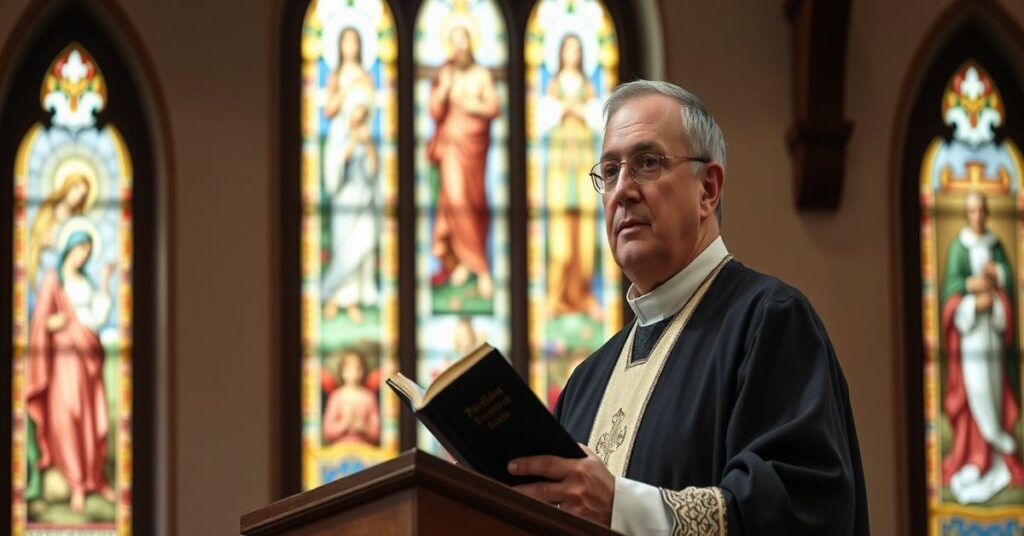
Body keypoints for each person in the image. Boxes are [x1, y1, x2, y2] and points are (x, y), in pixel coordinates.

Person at [508, 80, 869, 535]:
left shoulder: (770, 322)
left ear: (708, 190)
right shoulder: (587, 382)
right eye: (610, 171)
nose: (622, 190)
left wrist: (618, 506)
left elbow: (799, 508)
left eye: (647, 163)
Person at [940, 190, 1024, 504]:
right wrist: (972, 301)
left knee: (994, 394)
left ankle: (996, 457)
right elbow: (951, 289)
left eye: (982, 211)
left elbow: (1007, 282)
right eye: (972, 211)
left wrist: (998, 280)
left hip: (994, 338)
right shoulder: (958, 248)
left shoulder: (996, 246)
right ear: (967, 214)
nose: (978, 217)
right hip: (970, 337)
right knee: (976, 396)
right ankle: (975, 459)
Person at [26, 230, 116, 512]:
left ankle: (93, 479)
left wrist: (103, 283)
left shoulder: (86, 282)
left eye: (88, 251)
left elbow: (97, 318)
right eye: (80, 249)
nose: (83, 255)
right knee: (66, 417)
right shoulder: (53, 278)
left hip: (87, 360)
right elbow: (40, 319)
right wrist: (56, 322)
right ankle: (75, 483)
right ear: (68, 248)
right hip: (62, 360)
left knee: (87, 421)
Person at [427, 24, 500, 300]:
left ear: (471, 44)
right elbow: (434, 110)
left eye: (464, 41)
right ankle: (466, 264)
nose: (460, 47)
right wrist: (444, 91)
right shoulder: (446, 74)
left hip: (474, 151)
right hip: (451, 149)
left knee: (474, 204)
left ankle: (477, 265)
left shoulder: (481, 75)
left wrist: (470, 104)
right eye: (455, 42)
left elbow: (494, 108)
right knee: (454, 203)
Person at [321, 27, 380, 324]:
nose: (351, 46)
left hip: (362, 184)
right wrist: (346, 89)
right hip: (341, 153)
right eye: (345, 40)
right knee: (343, 235)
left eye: (355, 40)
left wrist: (364, 139)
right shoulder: (335, 76)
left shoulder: (367, 77)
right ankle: (335, 296)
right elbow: (328, 109)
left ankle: (354, 297)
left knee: (362, 234)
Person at [544, 34, 602, 318]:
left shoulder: (588, 86)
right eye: (567, 49)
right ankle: (555, 297)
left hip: (582, 165)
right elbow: (543, 117)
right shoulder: (553, 85)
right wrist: (562, 109)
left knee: (583, 234)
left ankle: (583, 296)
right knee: (560, 238)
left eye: (577, 49)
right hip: (560, 165)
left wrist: (578, 109)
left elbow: (597, 118)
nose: (572, 54)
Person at [27, 173, 91, 290]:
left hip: (63, 273)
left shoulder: (77, 220)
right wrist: (41, 241)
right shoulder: (47, 209)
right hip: (41, 266)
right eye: (76, 189)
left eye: (82, 196)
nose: (77, 196)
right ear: (68, 185)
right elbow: (31, 239)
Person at [323, 348, 381, 445]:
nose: (353, 372)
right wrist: (344, 424)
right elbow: (328, 431)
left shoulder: (368, 397)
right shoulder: (336, 397)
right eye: (349, 368)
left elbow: (376, 432)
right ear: (342, 370)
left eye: (357, 368)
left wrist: (363, 428)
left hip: (365, 453)